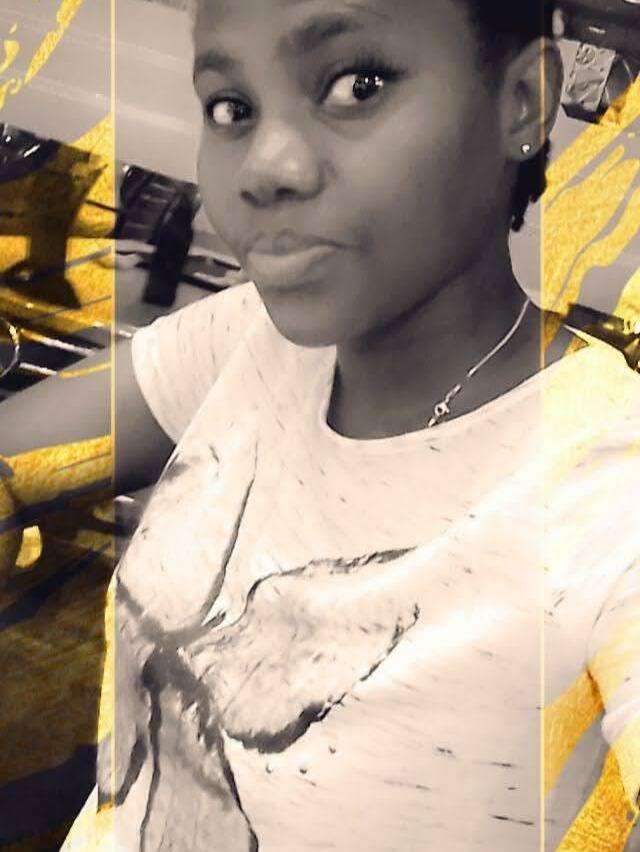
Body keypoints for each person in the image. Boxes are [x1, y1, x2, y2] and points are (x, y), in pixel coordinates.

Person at [1, 0, 639, 849]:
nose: (264, 168)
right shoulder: (252, 341)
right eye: (231, 107)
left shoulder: (605, 488)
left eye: (357, 84)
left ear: (521, 101)